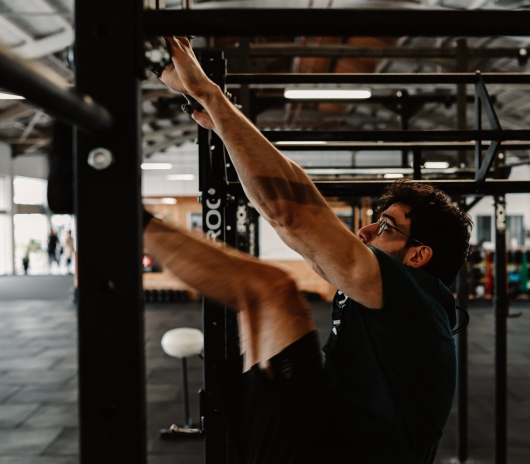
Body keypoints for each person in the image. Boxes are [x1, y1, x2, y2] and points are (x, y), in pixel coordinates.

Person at [141, 36, 473, 464]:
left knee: (268, 288)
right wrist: (223, 121)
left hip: (333, 453)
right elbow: (297, 217)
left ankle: (114, 211)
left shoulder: (416, 302)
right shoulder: (384, 299)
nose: (367, 228)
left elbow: (290, 215)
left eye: (387, 226)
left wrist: (210, 94)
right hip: (325, 431)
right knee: (266, 292)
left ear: (418, 256)